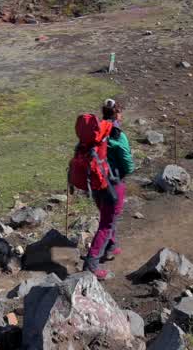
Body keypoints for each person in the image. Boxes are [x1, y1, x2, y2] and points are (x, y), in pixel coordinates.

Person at [84, 98, 133, 278]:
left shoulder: (97, 131)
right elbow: (127, 162)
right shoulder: (118, 134)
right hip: (112, 183)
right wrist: (126, 172)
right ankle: (92, 264)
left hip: (95, 182)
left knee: (106, 215)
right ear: (118, 114)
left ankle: (111, 246)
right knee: (107, 222)